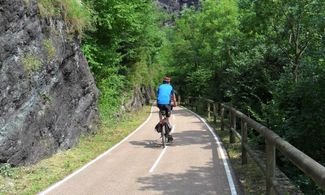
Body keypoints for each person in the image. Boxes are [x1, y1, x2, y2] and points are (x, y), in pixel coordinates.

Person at [156, 76, 177, 142]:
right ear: (169, 82)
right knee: (168, 114)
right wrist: (175, 103)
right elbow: (173, 97)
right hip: (167, 104)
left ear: (163, 82)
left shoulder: (160, 87)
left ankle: (161, 120)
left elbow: (158, 95)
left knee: (160, 110)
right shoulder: (170, 87)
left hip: (159, 103)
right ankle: (166, 121)